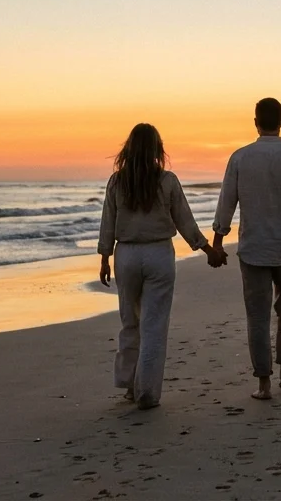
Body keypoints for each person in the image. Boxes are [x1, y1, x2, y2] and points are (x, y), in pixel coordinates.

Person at [98, 123, 228, 410]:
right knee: (154, 325)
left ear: (128, 148)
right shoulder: (167, 180)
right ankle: (148, 392)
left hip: (127, 255)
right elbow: (184, 220)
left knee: (130, 321)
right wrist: (208, 249)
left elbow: (107, 223)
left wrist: (105, 258)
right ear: (158, 149)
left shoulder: (117, 182)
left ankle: (130, 386)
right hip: (158, 254)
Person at [212, 98, 281, 400]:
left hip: (253, 249)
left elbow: (227, 202)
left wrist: (218, 242)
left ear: (255, 121)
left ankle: (263, 383)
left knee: (257, 316)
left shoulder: (240, 158)